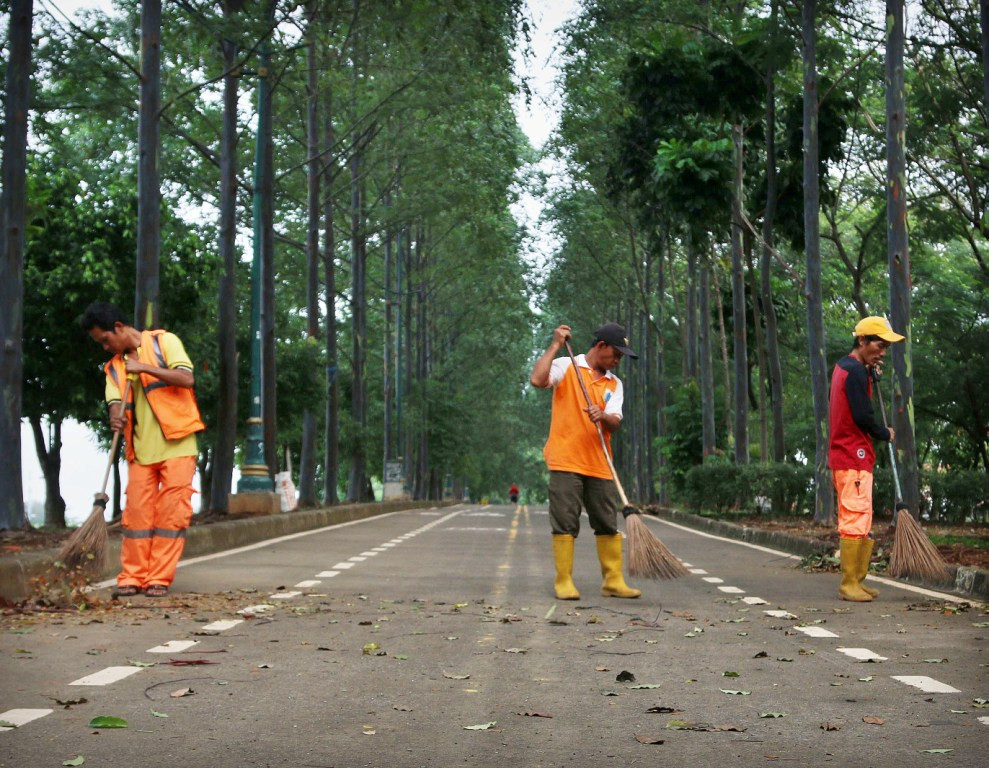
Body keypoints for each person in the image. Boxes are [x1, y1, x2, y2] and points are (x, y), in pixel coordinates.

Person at [82, 302, 204, 598]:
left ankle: (158, 578)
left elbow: (187, 378)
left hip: (178, 443)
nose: (104, 346)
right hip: (140, 451)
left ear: (120, 327)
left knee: (171, 516)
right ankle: (132, 576)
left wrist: (144, 368)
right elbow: (115, 402)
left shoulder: (165, 342)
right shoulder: (113, 368)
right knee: (136, 517)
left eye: (105, 340)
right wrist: (115, 414)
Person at [530, 323, 641, 600]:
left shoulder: (614, 384)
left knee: (606, 521)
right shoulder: (566, 365)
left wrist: (602, 416)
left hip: (600, 462)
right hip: (566, 459)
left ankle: (613, 580)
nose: (617, 360)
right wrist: (555, 344)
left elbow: (615, 421)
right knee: (566, 521)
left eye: (621, 357)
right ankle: (564, 580)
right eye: (615, 354)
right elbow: (537, 380)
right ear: (600, 345)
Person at [828, 315, 904, 602]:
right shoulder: (855, 372)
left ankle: (858, 580)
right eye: (879, 345)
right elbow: (862, 415)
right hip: (852, 454)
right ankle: (849, 584)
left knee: (862, 517)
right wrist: (883, 432)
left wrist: (872, 374)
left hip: (851, 455)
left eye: (885, 347)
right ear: (862, 341)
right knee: (855, 517)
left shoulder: (848, 367)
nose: (882, 352)